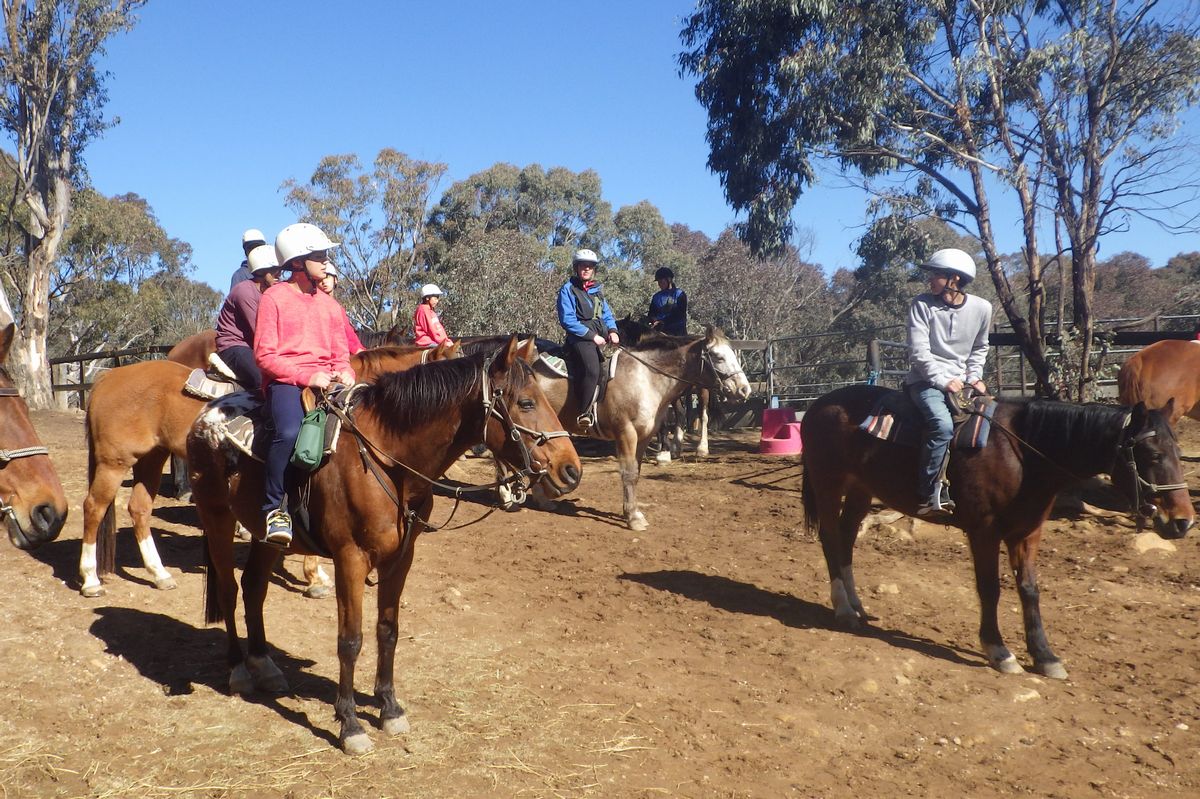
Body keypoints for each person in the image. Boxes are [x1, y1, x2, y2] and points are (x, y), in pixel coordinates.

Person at [254, 222, 356, 547]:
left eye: (326, 255)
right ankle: (276, 509)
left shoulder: (332, 306)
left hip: (329, 383)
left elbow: (341, 354)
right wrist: (306, 377)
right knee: (288, 434)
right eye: (319, 255)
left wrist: (345, 371)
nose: (326, 261)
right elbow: (264, 355)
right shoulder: (274, 298)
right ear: (297, 262)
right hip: (287, 383)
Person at [904, 248, 993, 518]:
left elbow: (980, 347)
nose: (930, 280)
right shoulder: (921, 305)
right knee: (941, 426)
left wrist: (974, 376)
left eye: (936, 275)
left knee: (996, 422)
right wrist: (943, 380)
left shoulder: (982, 308)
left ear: (954, 279)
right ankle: (929, 492)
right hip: (924, 381)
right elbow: (919, 353)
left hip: (963, 382)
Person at [557, 248, 619, 431]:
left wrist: (613, 330)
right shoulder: (567, 290)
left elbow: (606, 315)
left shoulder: (596, 291)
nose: (586, 269)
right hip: (579, 339)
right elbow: (567, 320)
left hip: (598, 337)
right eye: (583, 266)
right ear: (576, 268)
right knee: (592, 369)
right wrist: (592, 336)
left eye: (590, 267)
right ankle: (583, 413)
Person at [213, 244, 281, 390]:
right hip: (234, 346)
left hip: (253, 347)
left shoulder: (272, 292)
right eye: (274, 270)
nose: (279, 274)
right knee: (264, 377)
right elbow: (260, 331)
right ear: (261, 271)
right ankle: (261, 411)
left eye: (279, 270)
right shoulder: (244, 291)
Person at [316, 262, 365, 355]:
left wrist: (360, 349)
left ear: (335, 280)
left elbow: (349, 334)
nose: (323, 281)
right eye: (319, 280)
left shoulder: (338, 308)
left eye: (327, 277)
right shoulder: (316, 306)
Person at [647, 266, 688, 336]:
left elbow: (680, 315)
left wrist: (662, 321)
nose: (659, 284)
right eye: (658, 282)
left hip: (678, 332)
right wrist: (652, 319)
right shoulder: (656, 297)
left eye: (661, 281)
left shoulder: (680, 294)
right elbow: (651, 313)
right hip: (660, 331)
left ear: (669, 279)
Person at [413, 283, 452, 348]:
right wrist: (444, 342)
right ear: (427, 298)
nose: (437, 301)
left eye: (438, 298)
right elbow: (431, 329)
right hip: (426, 342)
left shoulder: (431, 311)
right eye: (435, 298)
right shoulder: (423, 310)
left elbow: (439, 329)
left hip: (434, 341)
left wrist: (447, 340)